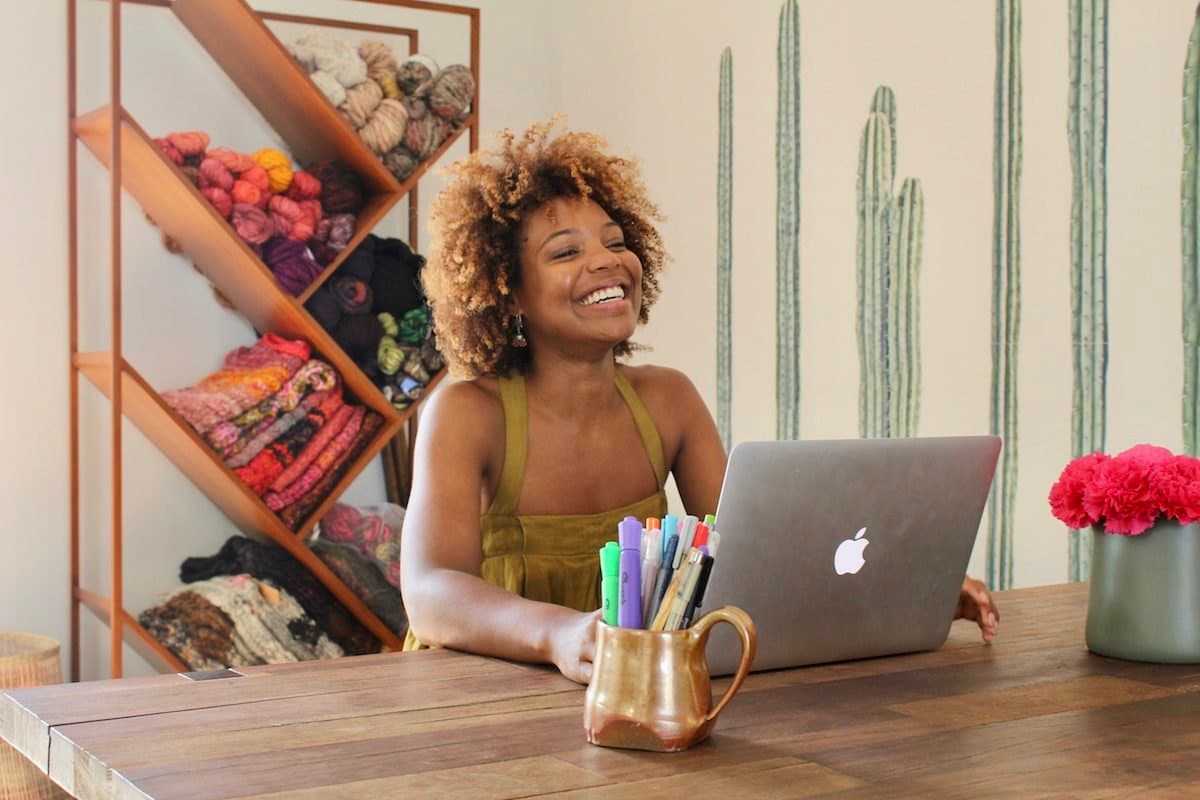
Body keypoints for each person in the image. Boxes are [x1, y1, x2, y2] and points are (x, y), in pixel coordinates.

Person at [399, 119, 999, 684]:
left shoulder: (668, 399)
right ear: (507, 294)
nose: (606, 260)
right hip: (479, 696)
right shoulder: (467, 413)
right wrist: (560, 634)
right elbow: (429, 593)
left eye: (614, 242)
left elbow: (754, 562)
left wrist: (911, 594)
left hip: (637, 690)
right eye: (565, 252)